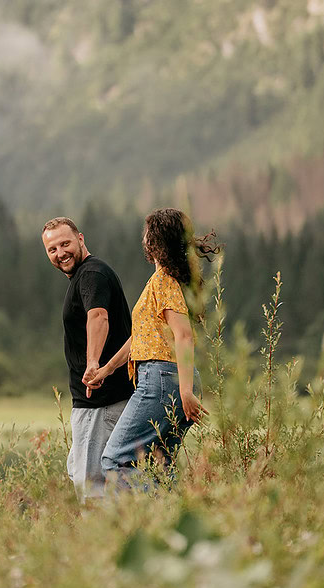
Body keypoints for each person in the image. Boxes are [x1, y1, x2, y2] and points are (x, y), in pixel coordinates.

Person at [84, 208, 218, 488]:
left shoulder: (164, 280)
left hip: (162, 380)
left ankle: (141, 526)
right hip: (171, 377)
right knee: (159, 464)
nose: (143, 238)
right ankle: (171, 525)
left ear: (155, 241)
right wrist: (107, 369)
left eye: (147, 233)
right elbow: (141, 336)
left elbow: (183, 336)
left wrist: (184, 392)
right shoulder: (169, 281)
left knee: (115, 460)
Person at [41, 216, 132, 500]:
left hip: (100, 404)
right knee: (96, 482)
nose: (60, 253)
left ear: (81, 239)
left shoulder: (92, 273)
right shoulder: (85, 276)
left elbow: (98, 315)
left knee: (92, 493)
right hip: (96, 404)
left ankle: (102, 542)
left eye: (65, 244)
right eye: (52, 249)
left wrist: (93, 363)